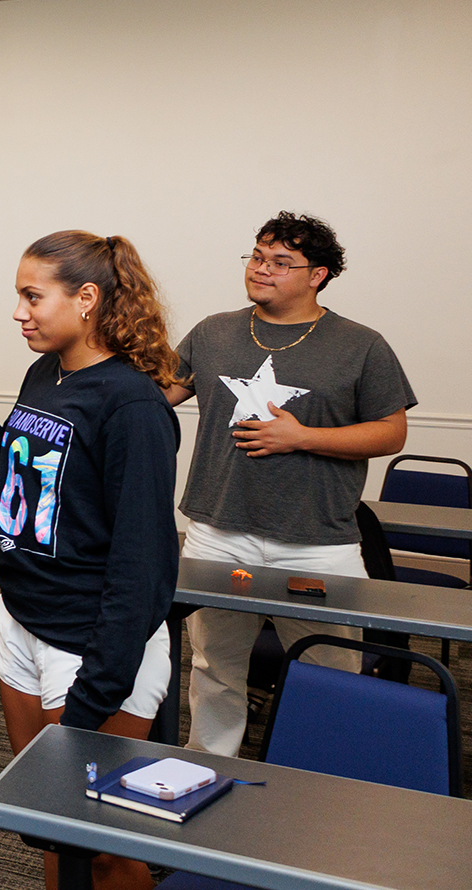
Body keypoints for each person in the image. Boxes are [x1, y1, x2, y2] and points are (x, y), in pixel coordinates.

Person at [0, 230, 180, 890]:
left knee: (101, 847)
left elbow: (143, 568)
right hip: (22, 620)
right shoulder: (48, 373)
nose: (19, 312)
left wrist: (92, 695)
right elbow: (21, 491)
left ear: (87, 298)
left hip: (92, 647)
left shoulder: (131, 405)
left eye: (32, 296)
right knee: (51, 821)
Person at [165, 212, 413, 758]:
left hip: (318, 542)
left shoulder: (360, 344)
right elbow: (158, 396)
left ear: (317, 275)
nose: (262, 270)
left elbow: (391, 431)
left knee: (329, 672)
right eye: (257, 257)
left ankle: (322, 774)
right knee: (214, 666)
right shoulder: (213, 331)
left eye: (281, 263)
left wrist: (302, 437)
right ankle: (208, 764)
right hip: (217, 530)